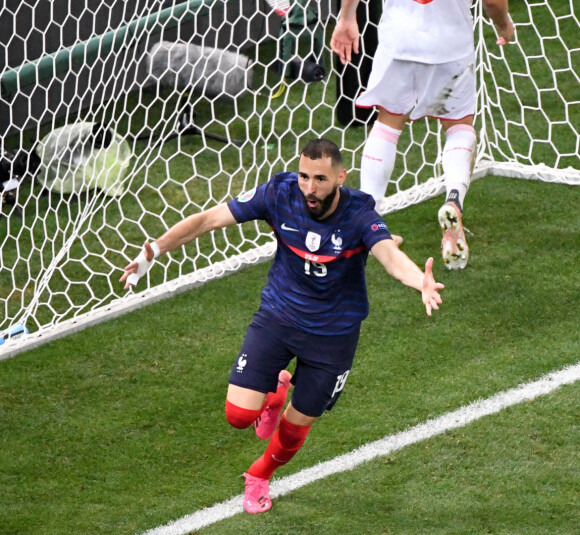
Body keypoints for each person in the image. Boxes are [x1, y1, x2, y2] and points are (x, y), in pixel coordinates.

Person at [120, 139, 444, 513]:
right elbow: (209, 219)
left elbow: (388, 254)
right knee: (239, 416)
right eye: (304, 176)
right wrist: (154, 251)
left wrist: (419, 279)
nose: (310, 187)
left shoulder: (358, 214)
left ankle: (259, 475)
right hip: (279, 317)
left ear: (341, 176)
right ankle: (274, 390)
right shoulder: (279, 193)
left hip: (333, 337)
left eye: (320, 179)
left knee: (293, 429)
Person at [330, 0, 515, 270]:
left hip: (398, 40)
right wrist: (504, 24)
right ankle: (453, 201)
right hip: (450, 44)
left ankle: (365, 225)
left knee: (386, 126)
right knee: (459, 126)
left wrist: (347, 16)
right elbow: (492, 1)